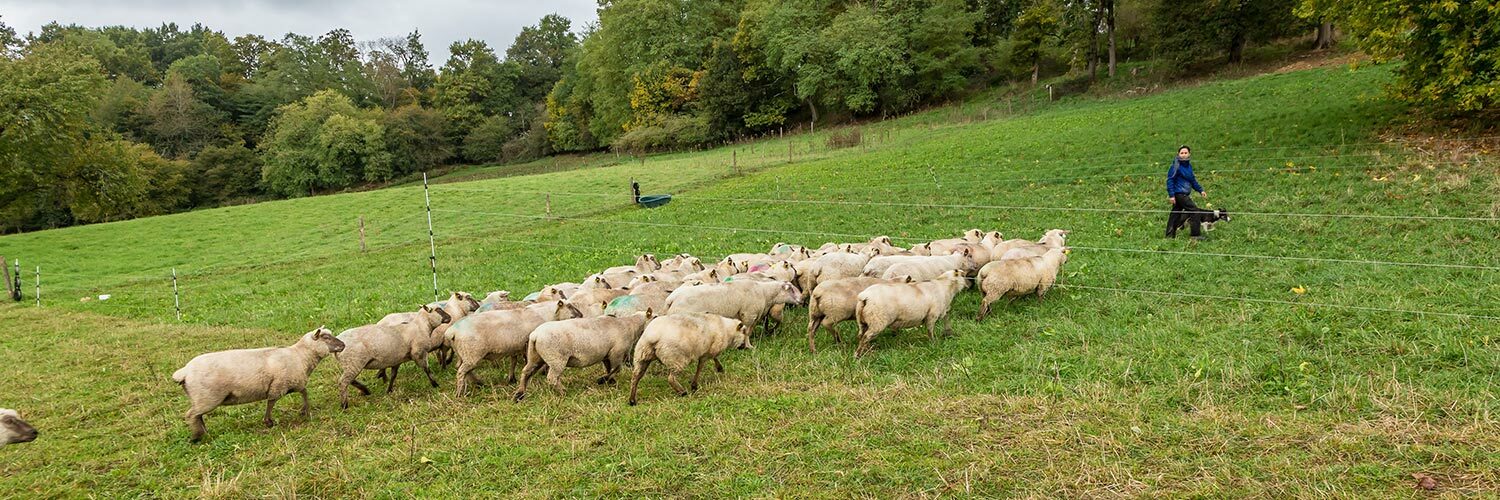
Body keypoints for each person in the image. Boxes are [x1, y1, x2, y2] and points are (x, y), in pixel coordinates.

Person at [1165, 145, 1207, 239]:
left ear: (1189, 154)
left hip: (1183, 194)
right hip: (1179, 194)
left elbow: (1192, 180)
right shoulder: (1175, 166)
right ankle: (1195, 235)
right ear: (1178, 154)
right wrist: (1171, 195)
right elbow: (1170, 180)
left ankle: (1169, 235)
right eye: (1182, 153)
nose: (1184, 155)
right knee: (1195, 211)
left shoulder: (1188, 166)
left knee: (1175, 214)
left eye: (1185, 153)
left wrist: (1200, 190)